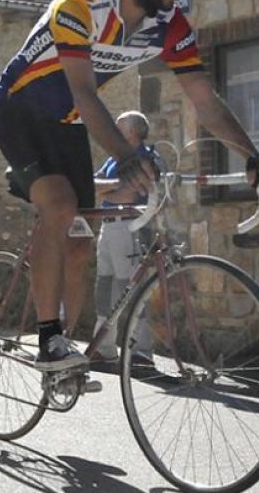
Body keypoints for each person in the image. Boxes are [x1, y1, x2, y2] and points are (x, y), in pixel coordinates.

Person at [0, 0, 259, 371]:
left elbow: (205, 102)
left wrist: (254, 157)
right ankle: (47, 340)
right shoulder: (78, 6)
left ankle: (69, 357)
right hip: (18, 111)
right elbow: (83, 91)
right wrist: (124, 154)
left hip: (66, 122)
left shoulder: (171, 26)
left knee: (81, 239)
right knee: (60, 206)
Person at [91, 111, 158, 361]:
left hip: (130, 226)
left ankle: (140, 351)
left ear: (131, 133)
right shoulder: (114, 158)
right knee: (105, 287)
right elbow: (92, 184)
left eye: (118, 128)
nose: (112, 132)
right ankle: (104, 347)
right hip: (108, 226)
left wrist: (104, 191)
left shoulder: (144, 158)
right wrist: (112, 187)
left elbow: (129, 195)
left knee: (130, 287)